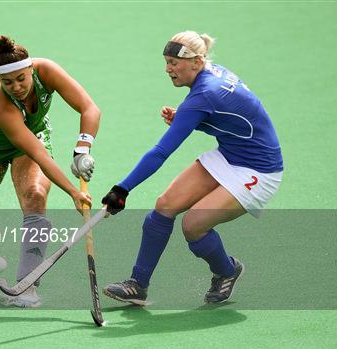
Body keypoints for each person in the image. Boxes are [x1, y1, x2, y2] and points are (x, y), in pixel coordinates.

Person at [101, 31, 283, 305]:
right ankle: (138, 284)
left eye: (174, 62)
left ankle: (227, 271)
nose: (168, 69)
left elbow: (161, 152)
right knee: (164, 206)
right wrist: (188, 118)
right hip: (230, 154)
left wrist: (122, 188)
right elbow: (230, 117)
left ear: (197, 62)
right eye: (166, 62)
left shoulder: (204, 96)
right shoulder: (212, 75)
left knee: (193, 224)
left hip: (258, 171)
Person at [0, 35, 100, 308]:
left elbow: (89, 107)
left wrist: (83, 148)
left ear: (31, 70)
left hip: (32, 136)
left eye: (21, 79)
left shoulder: (46, 70)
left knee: (35, 196)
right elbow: (38, 153)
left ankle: (26, 285)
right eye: (7, 82)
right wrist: (72, 192)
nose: (16, 87)